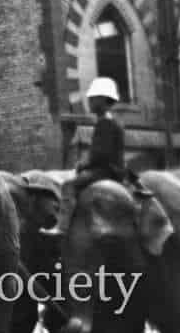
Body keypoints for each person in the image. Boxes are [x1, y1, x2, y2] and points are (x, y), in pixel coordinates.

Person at [46, 77, 147, 235]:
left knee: (68, 185)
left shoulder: (104, 123)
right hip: (114, 169)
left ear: (103, 100)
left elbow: (100, 155)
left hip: (105, 171)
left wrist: (83, 164)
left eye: (93, 99)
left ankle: (62, 226)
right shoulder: (113, 121)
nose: (90, 102)